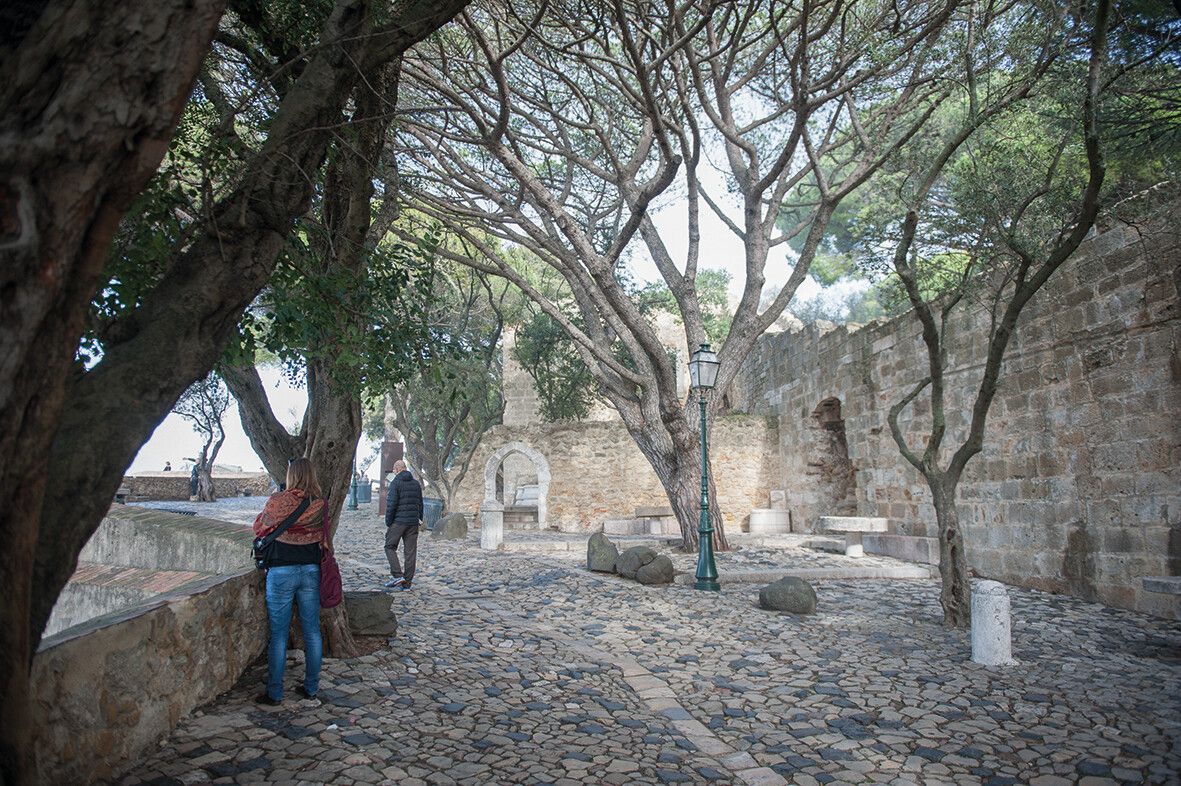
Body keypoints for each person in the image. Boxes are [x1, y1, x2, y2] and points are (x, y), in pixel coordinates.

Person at [252, 457, 325, 705]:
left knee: (279, 634)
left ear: (291, 475)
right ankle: (312, 688)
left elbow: (260, 528)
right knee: (313, 631)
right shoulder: (319, 504)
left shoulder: (278, 500)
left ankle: (275, 693)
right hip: (311, 570)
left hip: (281, 571)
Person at [383, 459, 423, 590]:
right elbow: (420, 503)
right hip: (413, 522)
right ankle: (407, 584)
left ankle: (397, 575)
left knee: (389, 546)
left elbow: (391, 504)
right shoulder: (416, 484)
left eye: (394, 471)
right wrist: (419, 518)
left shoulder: (396, 483)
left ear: (397, 469)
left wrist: (389, 522)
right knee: (410, 552)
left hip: (399, 522)